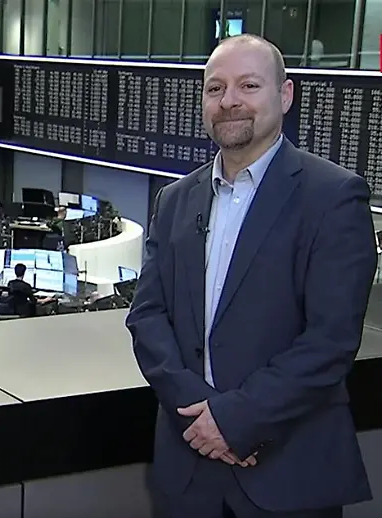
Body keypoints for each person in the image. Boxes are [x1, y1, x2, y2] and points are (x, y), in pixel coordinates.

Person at [125, 34, 374, 518]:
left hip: (287, 474)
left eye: (249, 85)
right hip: (189, 469)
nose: (229, 101)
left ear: (285, 94)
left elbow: (331, 341)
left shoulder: (334, 197)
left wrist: (235, 421)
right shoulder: (175, 200)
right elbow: (147, 316)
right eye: (215, 88)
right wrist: (201, 415)